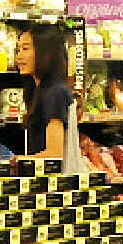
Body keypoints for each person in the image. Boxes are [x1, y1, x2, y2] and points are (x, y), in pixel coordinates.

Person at [17, 24, 72, 157]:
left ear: (46, 52)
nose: (19, 56)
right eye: (18, 50)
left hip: (52, 176)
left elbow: (55, 154)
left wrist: (20, 162)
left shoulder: (55, 92)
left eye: (25, 49)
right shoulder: (38, 89)